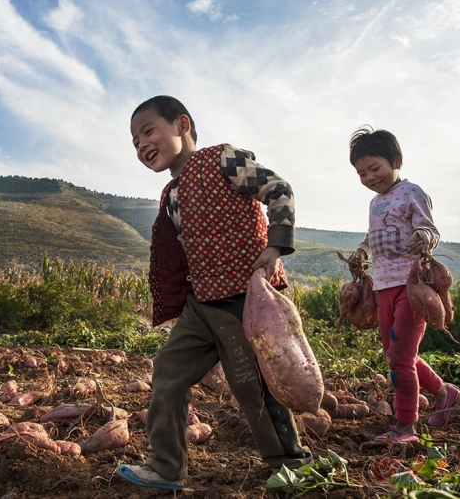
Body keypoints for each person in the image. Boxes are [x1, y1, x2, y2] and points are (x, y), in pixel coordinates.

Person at [115, 95, 312, 491]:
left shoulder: (224, 160)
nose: (141, 146)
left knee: (251, 385)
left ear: (182, 125)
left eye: (148, 131)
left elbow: (279, 190)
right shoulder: (171, 194)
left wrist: (275, 247)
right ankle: (166, 467)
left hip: (246, 299)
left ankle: (292, 465)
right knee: (168, 371)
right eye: (134, 142)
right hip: (201, 305)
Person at [348, 125, 460, 444]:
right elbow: (373, 236)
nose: (369, 177)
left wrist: (423, 236)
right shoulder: (374, 204)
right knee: (395, 355)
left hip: (412, 287)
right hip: (383, 285)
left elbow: (431, 230)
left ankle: (405, 427)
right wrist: (361, 251)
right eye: (361, 173)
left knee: (400, 357)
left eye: (374, 168)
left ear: (396, 161)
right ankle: (444, 392)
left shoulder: (412, 192)